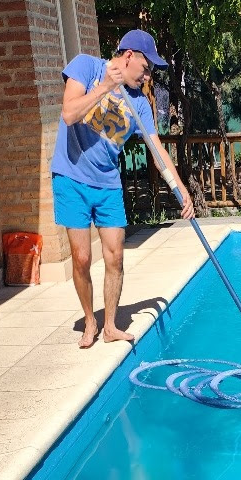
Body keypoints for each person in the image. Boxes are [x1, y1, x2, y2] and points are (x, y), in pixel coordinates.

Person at [51, 30, 195, 348]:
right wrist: (106, 87)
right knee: (81, 257)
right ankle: (90, 321)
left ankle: (110, 326)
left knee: (115, 256)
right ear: (129, 56)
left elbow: (157, 152)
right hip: (71, 178)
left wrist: (181, 189)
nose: (147, 76)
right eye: (146, 68)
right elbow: (69, 113)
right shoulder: (86, 67)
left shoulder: (140, 104)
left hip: (107, 184)